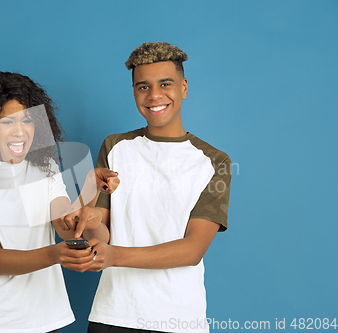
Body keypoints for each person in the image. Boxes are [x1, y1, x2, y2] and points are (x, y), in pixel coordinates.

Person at [0, 71, 117, 333]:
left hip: (45, 320)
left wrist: (89, 188)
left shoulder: (43, 167)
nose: (20, 131)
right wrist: (55, 254)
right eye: (6, 122)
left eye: (27, 120)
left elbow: (65, 225)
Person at [80, 42, 233, 332]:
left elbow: (192, 249)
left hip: (177, 318)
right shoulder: (115, 147)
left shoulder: (215, 162)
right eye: (143, 87)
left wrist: (116, 256)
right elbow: (101, 231)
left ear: (184, 87)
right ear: (134, 92)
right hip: (113, 314)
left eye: (165, 84)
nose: (154, 95)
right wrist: (89, 213)